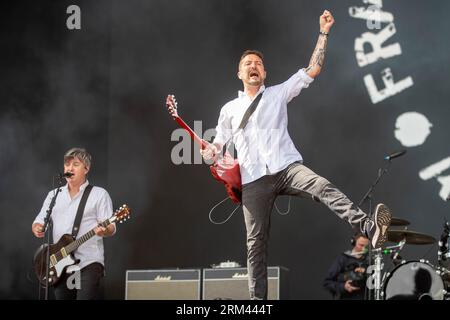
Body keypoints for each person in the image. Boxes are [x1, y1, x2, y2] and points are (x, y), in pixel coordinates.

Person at [199, 10, 392, 300]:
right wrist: (210, 152)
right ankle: (256, 301)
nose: (254, 66)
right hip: (253, 179)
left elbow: (312, 69)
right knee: (255, 244)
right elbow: (218, 146)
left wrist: (323, 33)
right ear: (239, 73)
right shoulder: (229, 109)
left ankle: (368, 226)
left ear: (264, 73)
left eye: (258, 64)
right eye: (248, 63)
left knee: (322, 186)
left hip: (286, 166)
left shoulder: (277, 93)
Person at [32, 147, 115, 300]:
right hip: (60, 263)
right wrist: (37, 228)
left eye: (75, 164)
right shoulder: (54, 195)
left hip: (88, 262)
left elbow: (111, 227)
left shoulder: (99, 194)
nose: (70, 168)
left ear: (86, 168)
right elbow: (38, 221)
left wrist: (104, 230)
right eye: (67, 165)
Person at [323, 234, 369, 300]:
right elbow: (327, 283)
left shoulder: (370, 259)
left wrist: (366, 271)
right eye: (361, 245)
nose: (364, 249)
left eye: (366, 246)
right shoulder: (343, 258)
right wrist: (343, 286)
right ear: (353, 242)